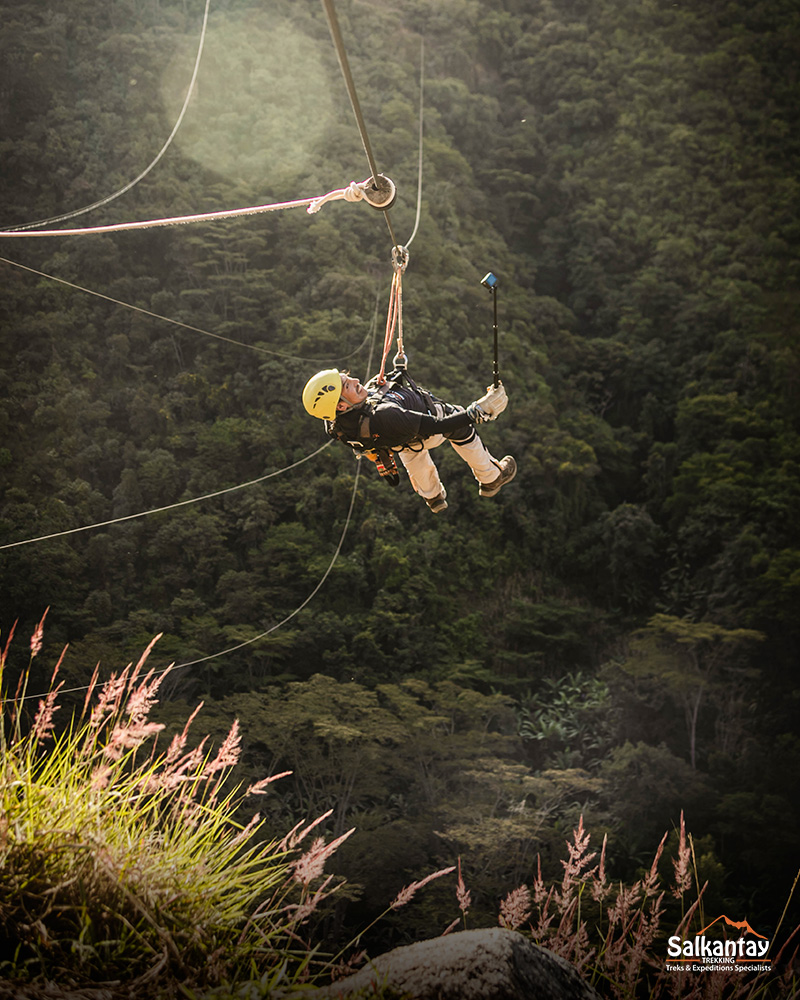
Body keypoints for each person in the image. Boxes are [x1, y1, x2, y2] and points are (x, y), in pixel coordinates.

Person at [301, 367, 516, 512]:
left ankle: (433, 496)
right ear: (341, 406)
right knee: (459, 427)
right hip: (423, 428)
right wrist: (477, 411)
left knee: (411, 451)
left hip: (397, 440)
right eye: (348, 385)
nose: (356, 381)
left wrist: (386, 381)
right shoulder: (386, 416)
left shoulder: (335, 424)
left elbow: (375, 414)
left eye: (348, 378)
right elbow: (439, 426)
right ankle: (490, 478)